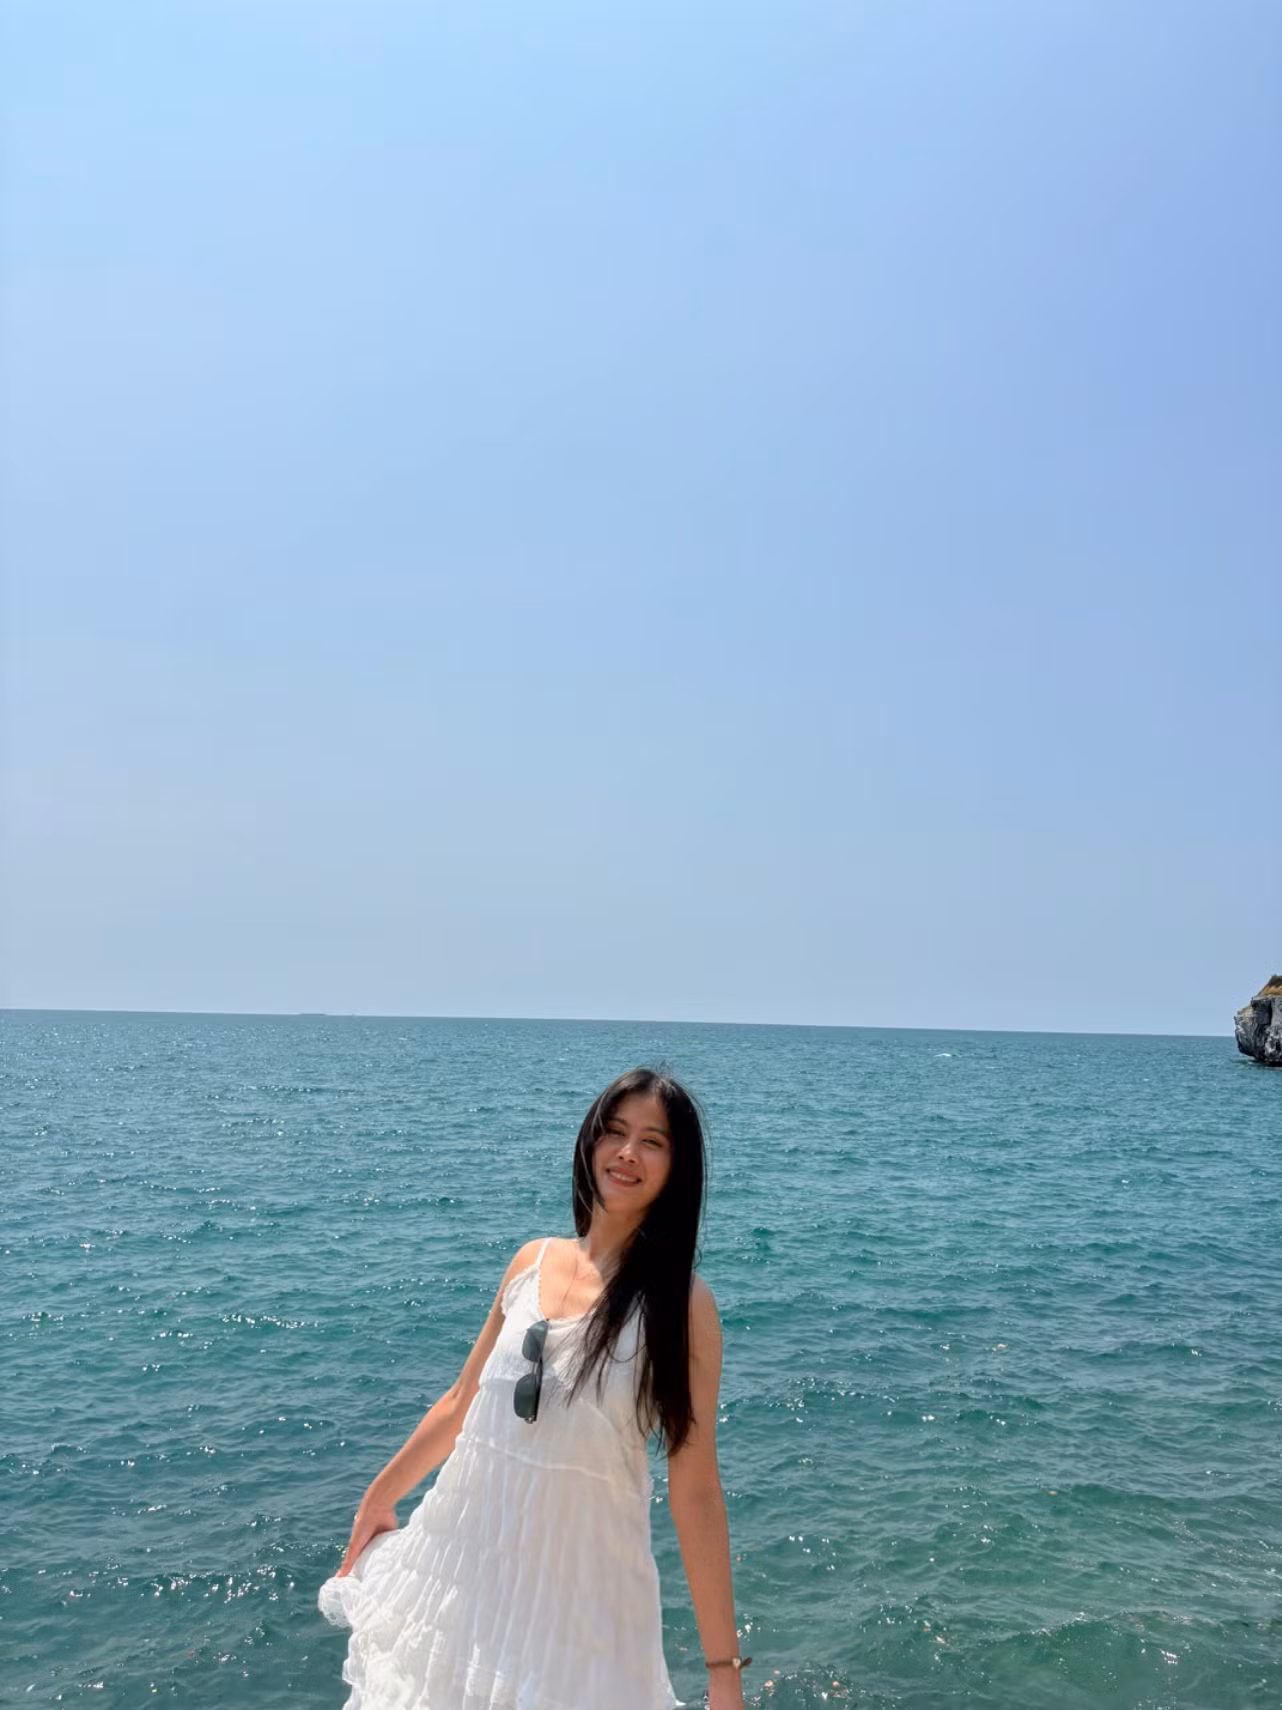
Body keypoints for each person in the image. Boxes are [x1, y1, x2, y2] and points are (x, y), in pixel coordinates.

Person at [318, 1067, 749, 1710]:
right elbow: (461, 1403)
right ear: (589, 1142)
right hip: (466, 1577)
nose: (628, 1152)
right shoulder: (530, 1262)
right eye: (615, 1131)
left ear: (676, 1168)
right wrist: (377, 1498)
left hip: (579, 1610)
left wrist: (724, 1673)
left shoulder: (683, 1308)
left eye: (653, 1141)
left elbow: (695, 1487)